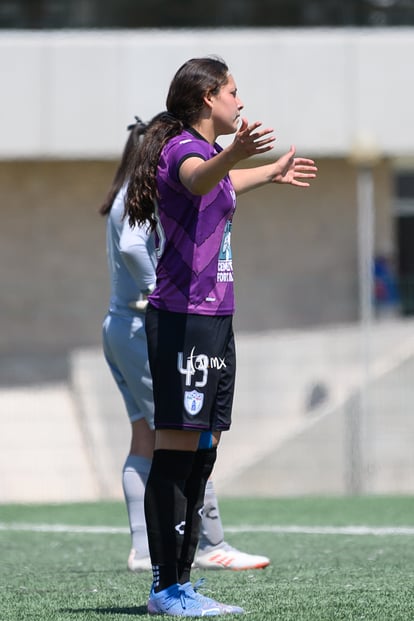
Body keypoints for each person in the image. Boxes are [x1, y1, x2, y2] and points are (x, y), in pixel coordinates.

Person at [125, 56, 317, 616]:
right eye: (233, 92)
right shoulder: (184, 149)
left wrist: (270, 171)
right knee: (178, 446)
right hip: (182, 317)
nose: (240, 101)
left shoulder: (209, 152)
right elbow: (197, 178)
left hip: (213, 317)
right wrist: (236, 152)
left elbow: (224, 179)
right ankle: (166, 588)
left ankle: (183, 582)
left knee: (204, 446)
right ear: (208, 97)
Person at [100, 118, 271, 574]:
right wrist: (164, 289)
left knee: (148, 436)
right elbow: (137, 247)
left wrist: (268, 171)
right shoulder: (145, 193)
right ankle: (206, 543)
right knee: (183, 434)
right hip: (143, 324)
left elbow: (218, 181)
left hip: (123, 324)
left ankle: (144, 547)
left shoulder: (129, 194)